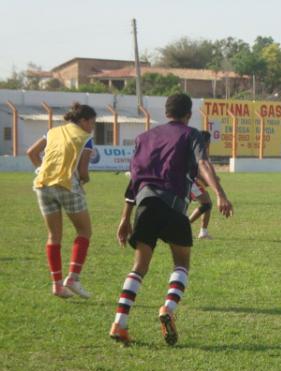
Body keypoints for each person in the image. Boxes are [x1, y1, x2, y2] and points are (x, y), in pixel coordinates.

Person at [110, 94, 233, 346]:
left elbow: (134, 180)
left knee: (139, 267)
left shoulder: (143, 138)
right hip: (173, 205)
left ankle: (119, 324)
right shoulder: (191, 134)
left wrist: (125, 218)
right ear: (188, 114)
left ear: (166, 113)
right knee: (181, 264)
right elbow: (203, 163)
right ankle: (168, 309)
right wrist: (220, 194)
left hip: (144, 205)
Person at [26, 102, 96, 298]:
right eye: (92, 122)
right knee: (84, 230)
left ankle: (57, 285)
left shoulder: (52, 132)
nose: (92, 127)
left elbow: (31, 153)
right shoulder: (85, 138)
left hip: (42, 185)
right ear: (83, 121)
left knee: (53, 235)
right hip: (66, 185)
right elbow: (83, 172)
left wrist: (42, 169)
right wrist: (85, 180)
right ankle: (73, 278)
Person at [188, 131, 214, 240]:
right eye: (209, 141)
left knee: (207, 203)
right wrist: (208, 180)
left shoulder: (193, 148)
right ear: (206, 141)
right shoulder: (199, 150)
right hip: (190, 181)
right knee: (207, 204)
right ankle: (184, 227)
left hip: (190, 181)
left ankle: (203, 232)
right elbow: (197, 170)